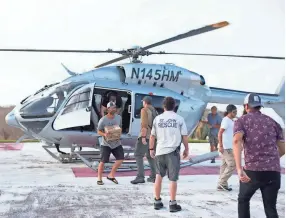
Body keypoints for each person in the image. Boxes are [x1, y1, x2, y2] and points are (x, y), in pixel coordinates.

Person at [233, 93, 285, 218]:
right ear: (259, 106)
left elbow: (236, 141)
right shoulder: (273, 122)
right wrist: (269, 161)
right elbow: (283, 150)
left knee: (243, 200)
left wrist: (239, 168)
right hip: (273, 172)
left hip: (253, 171)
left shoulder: (241, 121)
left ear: (246, 106)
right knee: (270, 207)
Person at [149, 97, 189, 213]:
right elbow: (184, 136)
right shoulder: (179, 119)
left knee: (158, 176)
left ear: (163, 106)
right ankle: (172, 204)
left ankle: (157, 201)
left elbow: (152, 136)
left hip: (160, 151)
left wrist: (151, 149)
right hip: (173, 152)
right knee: (173, 179)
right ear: (174, 106)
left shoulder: (158, 119)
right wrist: (186, 149)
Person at [131, 96, 157, 184]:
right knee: (150, 156)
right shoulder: (155, 111)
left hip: (146, 136)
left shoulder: (144, 110)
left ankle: (140, 176)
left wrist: (143, 137)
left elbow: (144, 125)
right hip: (154, 137)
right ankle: (154, 176)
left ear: (145, 102)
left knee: (138, 154)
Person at [97, 102, 124, 185]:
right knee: (103, 161)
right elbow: (98, 131)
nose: (113, 109)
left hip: (116, 142)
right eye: (111, 108)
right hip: (106, 144)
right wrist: (104, 134)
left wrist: (118, 132)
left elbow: (120, 127)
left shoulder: (119, 117)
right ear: (108, 109)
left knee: (120, 159)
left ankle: (111, 175)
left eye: (114, 107)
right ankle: (99, 179)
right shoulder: (103, 120)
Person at [217, 104, 237, 191]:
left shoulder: (231, 121)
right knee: (232, 165)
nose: (235, 113)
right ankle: (222, 182)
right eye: (234, 112)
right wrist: (221, 145)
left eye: (236, 111)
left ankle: (221, 185)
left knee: (224, 166)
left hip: (229, 146)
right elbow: (220, 133)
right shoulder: (226, 120)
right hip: (225, 147)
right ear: (229, 112)